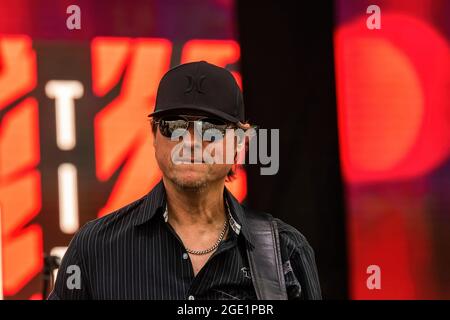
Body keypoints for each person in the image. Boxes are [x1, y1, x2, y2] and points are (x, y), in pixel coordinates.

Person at [48, 61, 321, 300]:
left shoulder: (286, 251)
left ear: (240, 142)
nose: (189, 142)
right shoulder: (95, 247)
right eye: (173, 126)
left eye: (211, 129)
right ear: (154, 135)